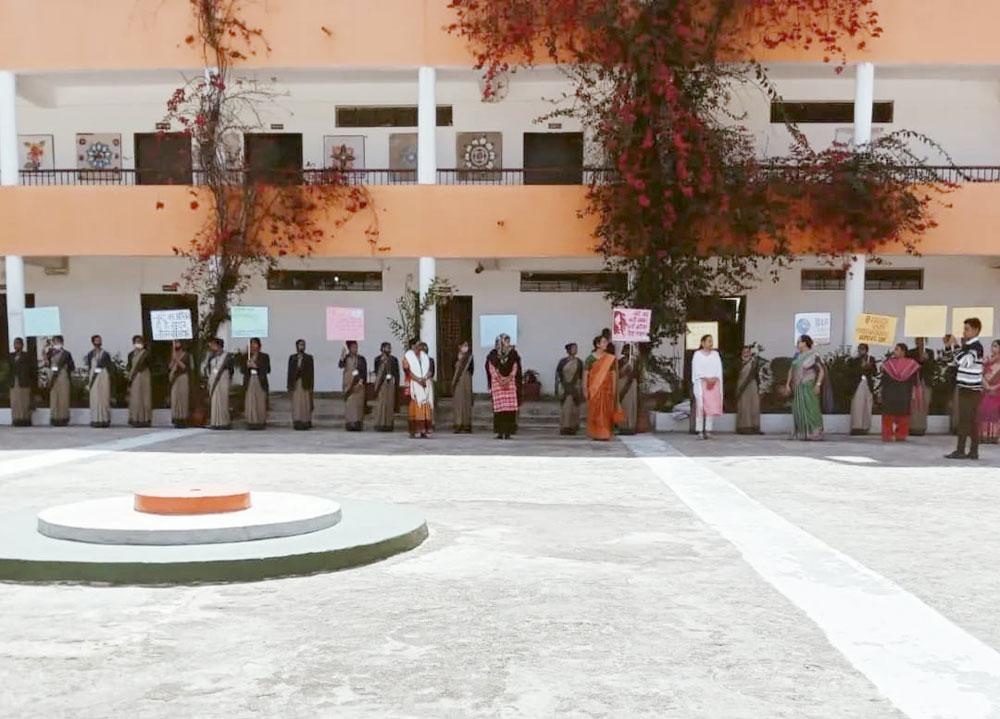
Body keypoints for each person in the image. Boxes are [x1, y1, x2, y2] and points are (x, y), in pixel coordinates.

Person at [943, 318, 985, 460]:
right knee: (970, 420)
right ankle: (973, 451)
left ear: (976, 330)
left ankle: (961, 450)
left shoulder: (976, 347)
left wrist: (956, 345)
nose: (964, 332)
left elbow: (965, 362)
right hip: (965, 387)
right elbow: (951, 362)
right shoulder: (967, 346)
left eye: (967, 329)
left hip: (971, 389)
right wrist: (948, 346)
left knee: (965, 420)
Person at [879, 343, 923, 443]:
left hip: (903, 392)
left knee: (903, 415)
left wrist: (915, 393)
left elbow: (915, 379)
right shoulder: (889, 363)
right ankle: (888, 435)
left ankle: (900, 435)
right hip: (891, 392)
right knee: (888, 414)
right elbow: (884, 379)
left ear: (903, 352)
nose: (894, 351)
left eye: (897, 349)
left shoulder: (910, 363)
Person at [786, 335, 825, 441]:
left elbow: (821, 371)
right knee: (798, 409)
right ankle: (801, 432)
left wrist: (818, 384)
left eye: (799, 342)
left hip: (809, 385)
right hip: (797, 386)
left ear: (804, 343)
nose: (797, 344)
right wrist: (787, 384)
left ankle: (815, 432)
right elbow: (791, 370)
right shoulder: (797, 356)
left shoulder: (814, 355)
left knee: (811, 408)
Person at [486, 334, 521, 439]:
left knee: (509, 410)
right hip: (498, 387)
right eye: (504, 341)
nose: (507, 343)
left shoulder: (513, 354)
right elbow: (491, 368)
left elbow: (515, 367)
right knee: (500, 410)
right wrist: (500, 380)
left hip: (510, 386)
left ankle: (508, 432)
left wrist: (508, 378)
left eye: (508, 341)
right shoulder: (493, 355)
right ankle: (500, 432)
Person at [584, 335, 618, 441]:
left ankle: (605, 433)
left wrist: (614, 389)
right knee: (595, 412)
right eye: (603, 342)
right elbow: (585, 375)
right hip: (594, 389)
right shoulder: (590, 358)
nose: (606, 344)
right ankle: (596, 433)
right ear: (597, 344)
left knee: (606, 412)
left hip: (607, 390)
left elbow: (613, 374)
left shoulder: (610, 358)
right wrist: (585, 389)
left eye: (606, 342)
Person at [691, 335, 723, 439]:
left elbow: (718, 369)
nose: (711, 343)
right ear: (703, 343)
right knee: (700, 407)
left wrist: (714, 379)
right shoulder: (697, 355)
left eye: (712, 341)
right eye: (709, 341)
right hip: (701, 383)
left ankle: (708, 430)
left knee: (711, 407)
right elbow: (696, 369)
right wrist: (705, 378)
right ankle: (700, 430)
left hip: (713, 383)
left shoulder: (715, 354)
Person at [403, 339, 433, 438]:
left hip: (425, 383)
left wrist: (425, 378)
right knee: (415, 406)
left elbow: (430, 370)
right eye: (417, 344)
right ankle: (416, 430)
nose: (419, 347)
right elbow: (408, 372)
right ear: (412, 346)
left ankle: (425, 430)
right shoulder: (407, 357)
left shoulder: (425, 356)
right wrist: (418, 380)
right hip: (414, 384)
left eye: (420, 345)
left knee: (425, 406)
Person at [203, 337, 234, 430]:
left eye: (214, 344)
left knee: (223, 400)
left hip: (223, 379)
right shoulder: (211, 356)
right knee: (215, 400)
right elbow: (208, 368)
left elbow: (231, 370)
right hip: (213, 380)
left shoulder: (227, 356)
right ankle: (215, 422)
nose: (212, 346)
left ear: (219, 346)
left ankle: (224, 422)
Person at [84, 334, 113, 428]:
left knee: (104, 397)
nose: (98, 342)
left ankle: (105, 419)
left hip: (103, 376)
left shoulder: (105, 354)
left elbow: (110, 367)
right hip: (93, 377)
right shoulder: (90, 354)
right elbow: (89, 367)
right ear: (93, 342)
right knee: (95, 398)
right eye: (96, 340)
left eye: (99, 340)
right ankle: (95, 419)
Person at [848, 343, 877, 435]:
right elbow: (851, 372)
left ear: (866, 350)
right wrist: (861, 367)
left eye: (863, 349)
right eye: (860, 349)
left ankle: (865, 427)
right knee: (857, 404)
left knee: (867, 405)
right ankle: (856, 426)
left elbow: (875, 372)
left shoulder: (871, 359)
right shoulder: (854, 360)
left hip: (867, 384)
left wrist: (869, 367)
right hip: (858, 384)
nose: (861, 350)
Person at [907, 338, 935, 437]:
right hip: (914, 382)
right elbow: (909, 366)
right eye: (919, 340)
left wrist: (927, 360)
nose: (921, 342)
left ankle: (922, 427)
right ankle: (912, 427)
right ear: (916, 341)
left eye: (923, 340)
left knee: (924, 404)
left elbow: (932, 367)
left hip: (926, 382)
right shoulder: (911, 352)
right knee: (914, 405)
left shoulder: (930, 352)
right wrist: (919, 360)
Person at [555, 343, 584, 436]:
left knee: (574, 407)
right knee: (565, 407)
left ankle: (573, 426)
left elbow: (581, 375)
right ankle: (565, 426)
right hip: (565, 387)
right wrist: (562, 385)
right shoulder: (563, 361)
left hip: (575, 386)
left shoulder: (579, 362)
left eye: (576, 348)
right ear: (568, 350)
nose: (575, 350)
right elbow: (559, 374)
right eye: (573, 348)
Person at [45, 335, 74, 427]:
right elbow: (47, 365)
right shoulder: (50, 353)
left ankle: (63, 418)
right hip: (53, 377)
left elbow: (72, 366)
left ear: (62, 343)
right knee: (54, 397)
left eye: (58, 341)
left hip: (63, 376)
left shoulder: (67, 354)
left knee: (63, 397)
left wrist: (65, 367)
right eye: (54, 342)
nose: (56, 343)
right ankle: (54, 418)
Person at [338, 341, 367, 431]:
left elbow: (364, 371)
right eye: (353, 347)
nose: (355, 349)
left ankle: (358, 424)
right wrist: (342, 355)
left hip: (358, 383)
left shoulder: (361, 358)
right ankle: (350, 424)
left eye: (356, 347)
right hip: (348, 384)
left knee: (358, 405)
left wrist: (361, 381)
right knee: (350, 405)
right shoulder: (346, 358)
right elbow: (340, 365)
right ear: (349, 348)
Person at [372, 342, 401, 432]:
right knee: (381, 404)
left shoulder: (394, 359)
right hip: (382, 384)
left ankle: (388, 424)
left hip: (391, 383)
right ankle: (380, 423)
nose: (389, 349)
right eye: (387, 348)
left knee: (390, 403)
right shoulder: (378, 359)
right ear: (383, 349)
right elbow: (377, 372)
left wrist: (396, 383)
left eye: (390, 348)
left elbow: (397, 373)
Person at [287, 339, 314, 431]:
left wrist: (311, 386)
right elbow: (289, 372)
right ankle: (297, 421)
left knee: (305, 403)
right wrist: (289, 386)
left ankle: (305, 421)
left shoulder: (309, 358)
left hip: (305, 383)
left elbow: (311, 373)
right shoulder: (292, 358)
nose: (301, 347)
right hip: (295, 383)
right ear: (297, 346)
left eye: (303, 345)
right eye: (300, 345)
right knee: (296, 403)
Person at [243, 337, 270, 430]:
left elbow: (267, 369)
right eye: (251, 344)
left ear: (259, 345)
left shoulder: (264, 356)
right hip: (250, 380)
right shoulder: (246, 356)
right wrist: (247, 366)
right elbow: (243, 370)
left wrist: (256, 366)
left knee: (260, 401)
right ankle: (251, 421)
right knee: (251, 400)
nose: (253, 346)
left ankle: (260, 421)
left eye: (255, 344)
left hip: (259, 380)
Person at [735, 345, 763, 435]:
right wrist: (740, 389)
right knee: (744, 406)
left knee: (754, 405)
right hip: (741, 385)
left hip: (751, 385)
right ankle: (744, 427)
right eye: (744, 352)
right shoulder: (739, 363)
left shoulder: (754, 362)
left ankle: (755, 427)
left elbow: (752, 375)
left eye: (747, 352)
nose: (746, 354)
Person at [8, 337, 36, 427]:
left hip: (24, 382)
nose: (16, 345)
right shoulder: (11, 356)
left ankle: (25, 420)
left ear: (22, 345)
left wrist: (31, 381)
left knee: (24, 401)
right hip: (14, 382)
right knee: (15, 401)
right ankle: (16, 420)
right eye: (15, 344)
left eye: (18, 344)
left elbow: (32, 369)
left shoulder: (27, 356)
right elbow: (9, 369)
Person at [127, 335, 152, 428]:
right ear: (134, 343)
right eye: (136, 341)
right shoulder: (130, 355)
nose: (138, 343)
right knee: (135, 398)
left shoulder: (146, 354)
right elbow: (129, 366)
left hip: (145, 376)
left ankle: (145, 419)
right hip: (135, 377)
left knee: (145, 397)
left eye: (140, 341)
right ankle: (135, 419)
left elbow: (151, 365)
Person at [978, 340, 1000, 445]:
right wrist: (986, 386)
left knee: (993, 411)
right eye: (992, 346)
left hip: (997, 391)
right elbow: (980, 373)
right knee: (983, 410)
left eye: (995, 346)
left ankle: (994, 436)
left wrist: (994, 387)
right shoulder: (987, 360)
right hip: (985, 389)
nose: (993, 348)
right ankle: (984, 435)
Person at [168, 340, 192, 428]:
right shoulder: (173, 355)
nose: (176, 344)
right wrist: (173, 358)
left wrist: (177, 360)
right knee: (175, 398)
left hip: (182, 378)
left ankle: (183, 419)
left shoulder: (186, 355)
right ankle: (176, 418)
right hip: (175, 379)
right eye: (175, 343)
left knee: (182, 398)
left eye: (177, 342)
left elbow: (185, 367)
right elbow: (170, 367)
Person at [451, 340, 474, 433]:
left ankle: (466, 424)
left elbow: (471, 370)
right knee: (458, 402)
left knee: (466, 401)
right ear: (459, 346)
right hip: (458, 381)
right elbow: (452, 368)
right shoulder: (455, 357)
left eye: (466, 345)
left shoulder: (469, 357)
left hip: (466, 380)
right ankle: (458, 424)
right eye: (464, 345)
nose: (465, 347)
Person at [617, 344, 639, 435]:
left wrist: (631, 371)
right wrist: (624, 370)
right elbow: (617, 374)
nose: (627, 352)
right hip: (621, 384)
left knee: (631, 405)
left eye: (629, 350)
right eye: (625, 350)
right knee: (623, 405)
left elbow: (638, 374)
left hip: (631, 385)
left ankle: (631, 426)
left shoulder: (635, 361)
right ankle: (622, 426)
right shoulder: (619, 361)